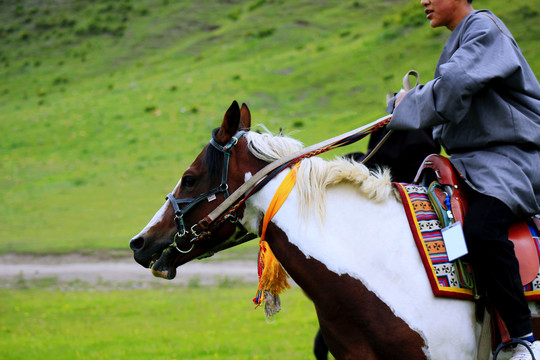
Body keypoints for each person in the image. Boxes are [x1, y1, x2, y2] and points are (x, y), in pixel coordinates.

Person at [387, 0, 540, 359]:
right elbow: (450, 109)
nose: (423, 1)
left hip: (512, 160)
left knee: (481, 231)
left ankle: (523, 341)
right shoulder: (459, 40)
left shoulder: (484, 29)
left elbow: (452, 88)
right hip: (474, 164)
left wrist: (405, 104)